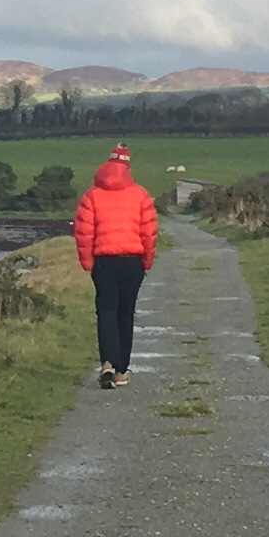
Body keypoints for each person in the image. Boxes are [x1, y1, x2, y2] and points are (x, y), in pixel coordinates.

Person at [70, 145, 158, 388]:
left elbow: (84, 233)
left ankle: (107, 362)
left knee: (106, 312)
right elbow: (149, 233)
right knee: (125, 314)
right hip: (133, 261)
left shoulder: (91, 196)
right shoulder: (140, 195)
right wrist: (147, 261)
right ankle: (121, 371)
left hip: (104, 262)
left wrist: (88, 264)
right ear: (128, 165)